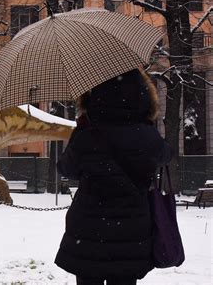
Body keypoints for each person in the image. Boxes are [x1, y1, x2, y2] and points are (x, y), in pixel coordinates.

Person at [54, 69, 172, 285]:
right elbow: (165, 156)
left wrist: (79, 132)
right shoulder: (146, 134)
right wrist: (147, 129)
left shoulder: (87, 133)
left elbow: (66, 169)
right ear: (143, 95)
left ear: (96, 96)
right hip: (132, 230)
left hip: (88, 230)